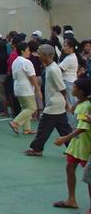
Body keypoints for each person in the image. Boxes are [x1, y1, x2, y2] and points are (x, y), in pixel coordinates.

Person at [27, 44, 73, 156]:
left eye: (39, 53)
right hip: (56, 103)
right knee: (64, 128)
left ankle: (37, 149)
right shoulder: (50, 67)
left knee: (44, 127)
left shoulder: (53, 69)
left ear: (45, 55)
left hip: (54, 104)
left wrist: (66, 102)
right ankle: (74, 148)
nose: (37, 55)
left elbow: (62, 88)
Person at [52, 78, 91, 209]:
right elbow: (73, 111)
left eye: (74, 87)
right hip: (77, 144)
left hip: (85, 144)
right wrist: (77, 101)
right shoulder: (81, 103)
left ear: (81, 91)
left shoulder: (86, 106)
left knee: (89, 177)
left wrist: (64, 138)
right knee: (70, 167)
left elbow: (82, 128)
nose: (72, 89)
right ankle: (71, 199)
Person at [9, 42, 41, 135]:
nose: (29, 52)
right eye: (28, 50)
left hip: (18, 86)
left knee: (25, 107)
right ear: (23, 51)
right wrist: (38, 89)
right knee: (32, 108)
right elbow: (32, 77)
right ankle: (15, 122)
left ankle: (27, 129)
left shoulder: (15, 61)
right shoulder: (26, 62)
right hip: (25, 87)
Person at [60, 37, 80, 127]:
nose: (63, 48)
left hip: (68, 82)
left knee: (70, 104)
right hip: (70, 82)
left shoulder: (70, 58)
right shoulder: (70, 57)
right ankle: (72, 124)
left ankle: (72, 125)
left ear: (71, 47)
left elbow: (59, 69)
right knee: (70, 103)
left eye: (65, 46)